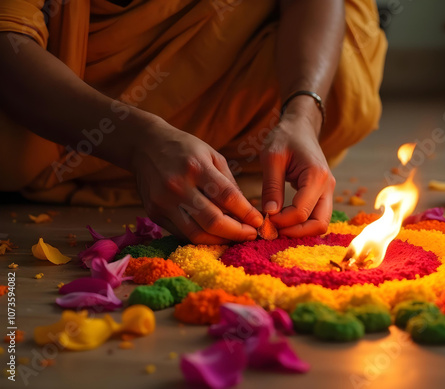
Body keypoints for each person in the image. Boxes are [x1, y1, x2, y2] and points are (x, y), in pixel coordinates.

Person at [0, 0, 386, 244]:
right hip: (76, 87)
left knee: (345, 63)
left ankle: (192, 168)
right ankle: (144, 159)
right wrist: (138, 140)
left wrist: (302, 113)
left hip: (242, 55)